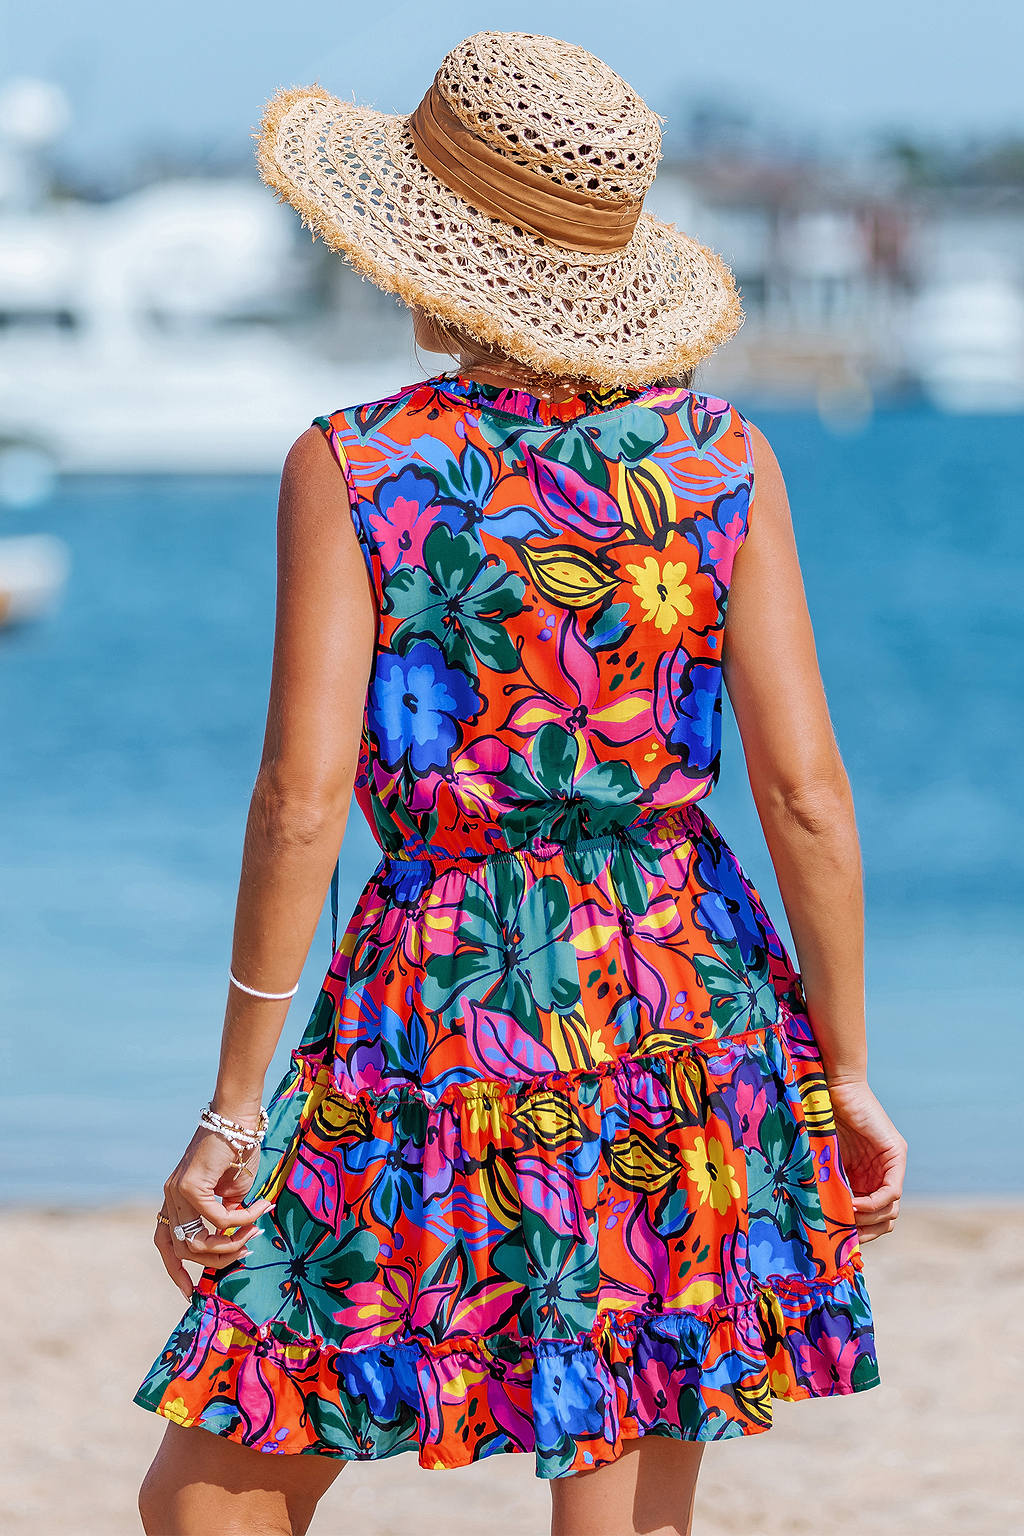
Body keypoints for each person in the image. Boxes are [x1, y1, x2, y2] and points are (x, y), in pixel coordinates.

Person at [136, 32, 906, 1536]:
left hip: (444, 989)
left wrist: (234, 1114)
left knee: (224, 1471)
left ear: (426, 247)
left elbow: (300, 800)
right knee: (627, 1471)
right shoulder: (719, 459)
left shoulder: (360, 466)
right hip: (682, 986)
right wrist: (849, 1065)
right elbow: (806, 790)